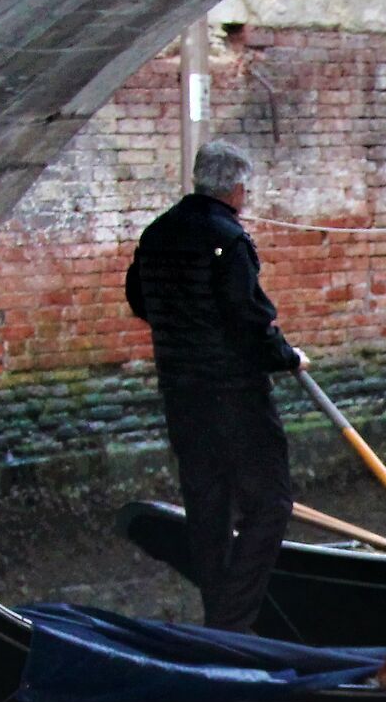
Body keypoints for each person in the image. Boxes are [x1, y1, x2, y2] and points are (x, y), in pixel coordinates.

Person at [124, 140, 303, 633]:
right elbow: (249, 320)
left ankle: (219, 621)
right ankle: (231, 622)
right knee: (270, 505)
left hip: (181, 395)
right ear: (238, 188)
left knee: (208, 510)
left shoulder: (157, 234)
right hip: (236, 396)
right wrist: (289, 357)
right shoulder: (230, 238)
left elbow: (141, 300)